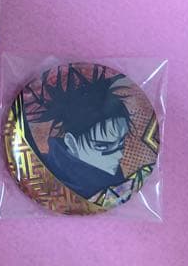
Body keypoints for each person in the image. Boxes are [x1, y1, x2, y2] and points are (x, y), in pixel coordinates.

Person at [32, 66, 132, 199]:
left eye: (120, 144)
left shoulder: (113, 178)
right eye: (102, 146)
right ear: (71, 143)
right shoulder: (43, 173)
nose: (119, 155)